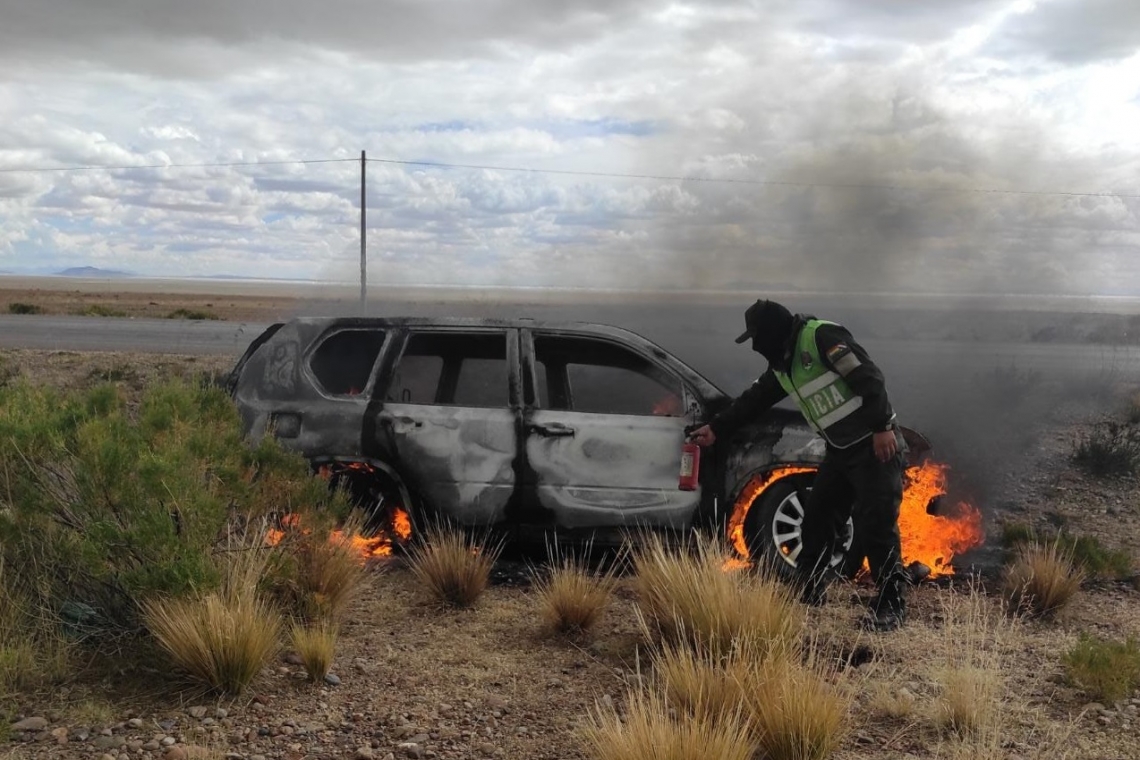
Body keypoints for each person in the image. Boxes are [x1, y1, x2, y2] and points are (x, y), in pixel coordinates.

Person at [688, 299, 910, 631]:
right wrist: (717, 428)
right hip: (840, 450)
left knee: (877, 524)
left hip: (873, 445)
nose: (756, 347)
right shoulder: (783, 365)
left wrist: (882, 427)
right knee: (818, 518)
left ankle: (892, 604)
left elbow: (869, 377)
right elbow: (754, 400)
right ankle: (809, 588)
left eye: (756, 338)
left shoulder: (821, 338)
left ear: (773, 332)